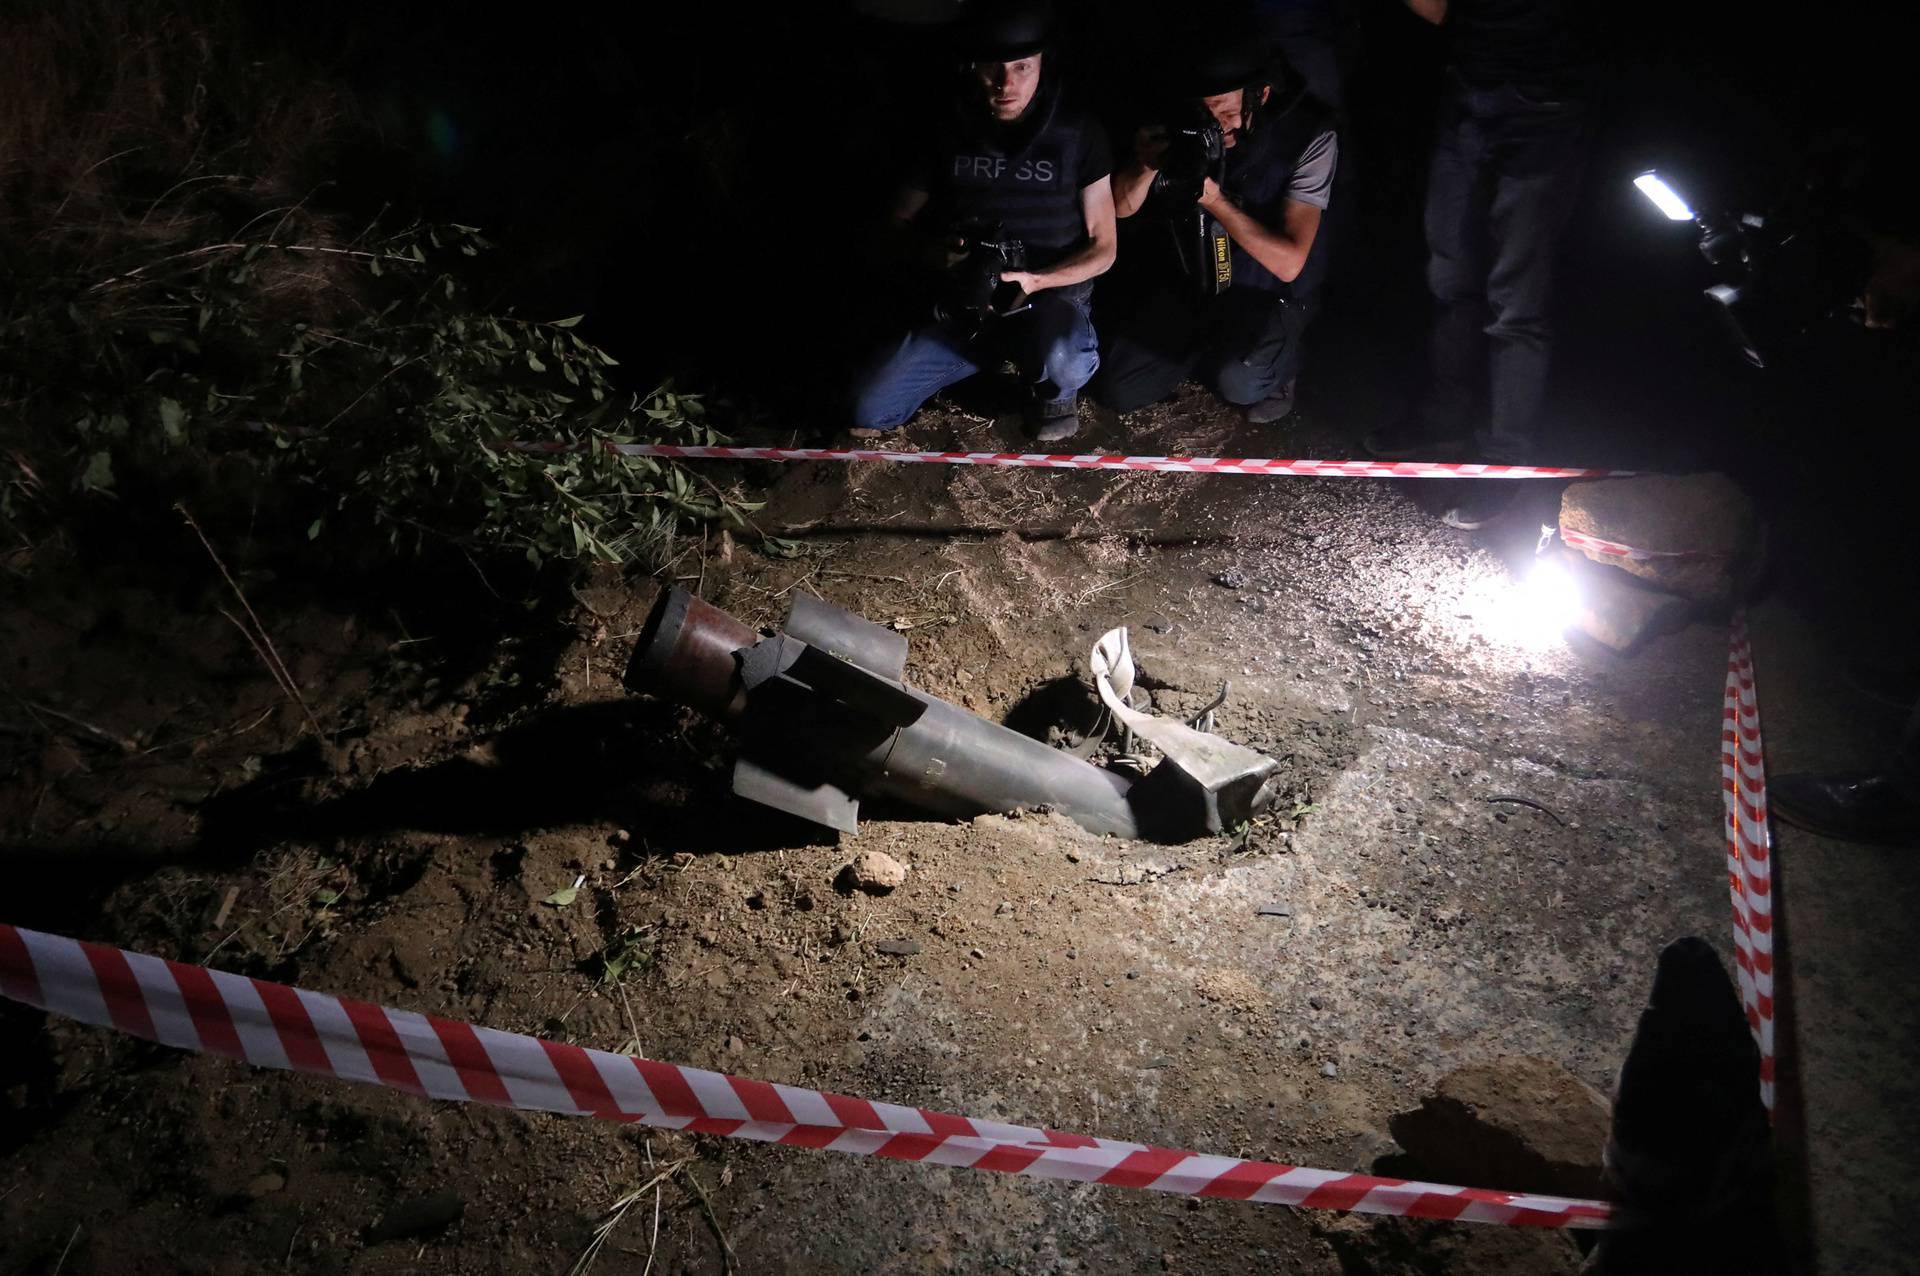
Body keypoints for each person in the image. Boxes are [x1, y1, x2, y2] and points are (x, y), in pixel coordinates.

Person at [1364, 0, 1593, 529]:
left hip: (1546, 107)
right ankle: (1446, 417)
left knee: (1515, 300)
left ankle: (1506, 461)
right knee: (1449, 271)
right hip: (1469, 93)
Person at [847, 0, 1116, 442]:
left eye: (1022, 67)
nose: (1006, 83)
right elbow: (891, 228)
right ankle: (979, 359)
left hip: (1049, 301)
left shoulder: (1079, 132)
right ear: (971, 67)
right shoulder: (947, 130)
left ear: (1043, 64)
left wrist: (1036, 280)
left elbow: (1105, 248)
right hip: (968, 304)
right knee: (869, 408)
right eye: (993, 67)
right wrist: (934, 253)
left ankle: (1054, 388)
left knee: (1065, 355)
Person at [1091, 32, 1337, 424]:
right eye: (1205, 112)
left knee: (1239, 381)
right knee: (1119, 386)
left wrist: (1214, 200)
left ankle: (1280, 366)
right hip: (1194, 281)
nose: (1216, 125)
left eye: (1225, 112)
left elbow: (1289, 262)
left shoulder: (1308, 138)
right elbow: (1119, 210)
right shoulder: (1179, 127)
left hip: (1265, 291)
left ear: (1261, 94)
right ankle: (1198, 352)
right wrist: (1146, 164)